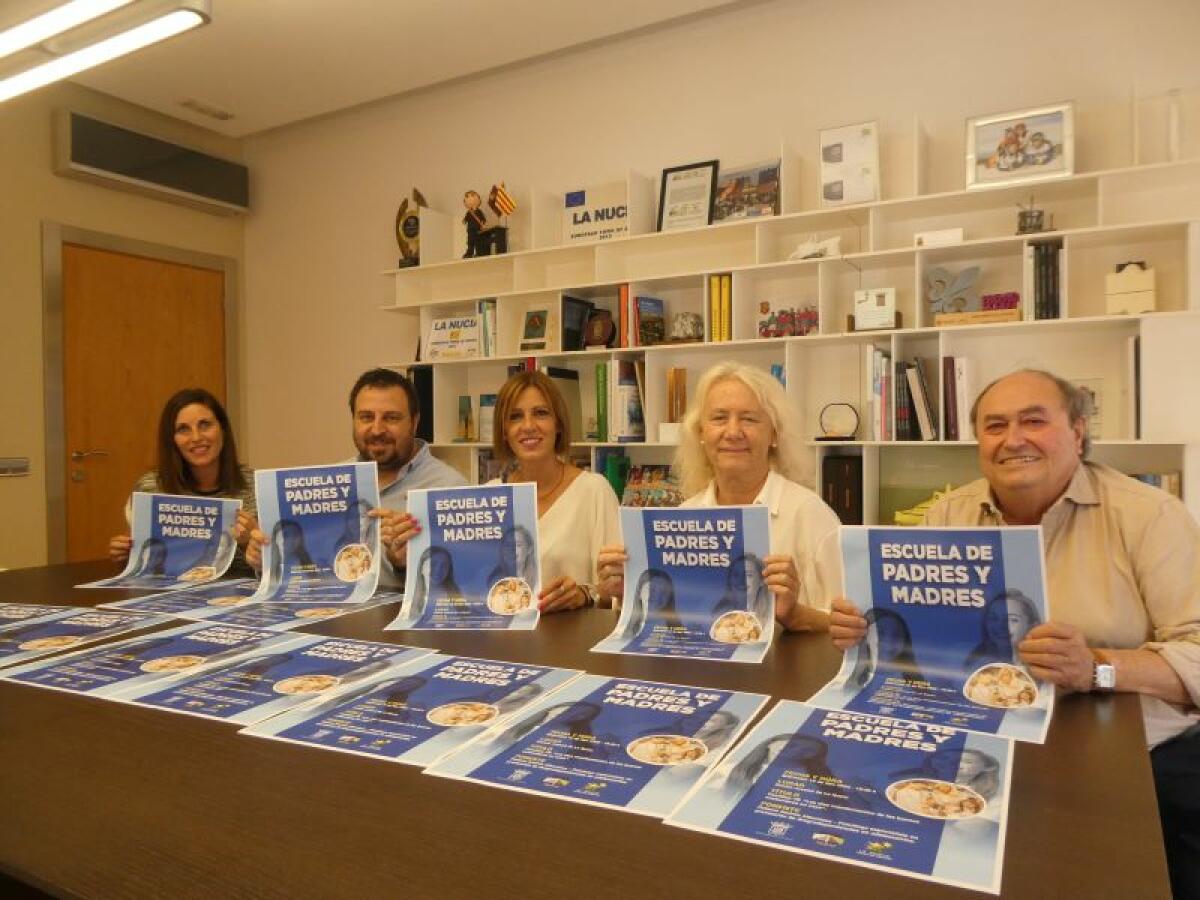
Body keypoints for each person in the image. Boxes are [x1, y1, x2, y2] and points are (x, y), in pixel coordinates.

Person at [830, 369, 1200, 899]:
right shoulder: (948, 514)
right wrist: (866, 629)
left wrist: (1096, 666)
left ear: (1077, 431)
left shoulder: (1151, 516)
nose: (1013, 439)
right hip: (983, 745)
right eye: (995, 425)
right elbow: (914, 640)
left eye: (1033, 421)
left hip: (1135, 763)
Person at [598, 361, 840, 631]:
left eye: (749, 419)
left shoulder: (810, 514)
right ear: (701, 433)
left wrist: (794, 614)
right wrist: (626, 590)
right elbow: (668, 621)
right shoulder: (686, 514)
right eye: (719, 418)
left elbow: (855, 629)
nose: (733, 432)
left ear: (774, 434)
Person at [246, 368, 466, 587]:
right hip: (329, 611)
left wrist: (406, 565)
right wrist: (267, 559)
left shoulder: (449, 489)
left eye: (391, 418)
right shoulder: (330, 482)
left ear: (414, 422)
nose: (377, 429)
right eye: (366, 417)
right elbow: (305, 570)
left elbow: (463, 586)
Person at [487, 370, 620, 613]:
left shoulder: (593, 490)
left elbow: (616, 591)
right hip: (501, 642)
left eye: (541, 413)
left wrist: (584, 594)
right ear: (504, 431)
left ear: (558, 424)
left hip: (570, 645)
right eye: (515, 416)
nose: (528, 426)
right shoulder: (489, 497)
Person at [109, 388, 256, 577]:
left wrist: (252, 545)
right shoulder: (151, 488)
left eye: (205, 425)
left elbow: (278, 569)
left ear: (223, 429)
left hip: (237, 598)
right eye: (183, 429)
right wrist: (125, 556)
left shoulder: (255, 486)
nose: (196, 437)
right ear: (172, 440)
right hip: (169, 596)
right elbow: (143, 566)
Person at [964, 588, 1042, 669]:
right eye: (993, 618)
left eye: (1012, 619)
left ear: (1032, 626)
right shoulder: (977, 664)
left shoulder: (1043, 668)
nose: (1000, 626)